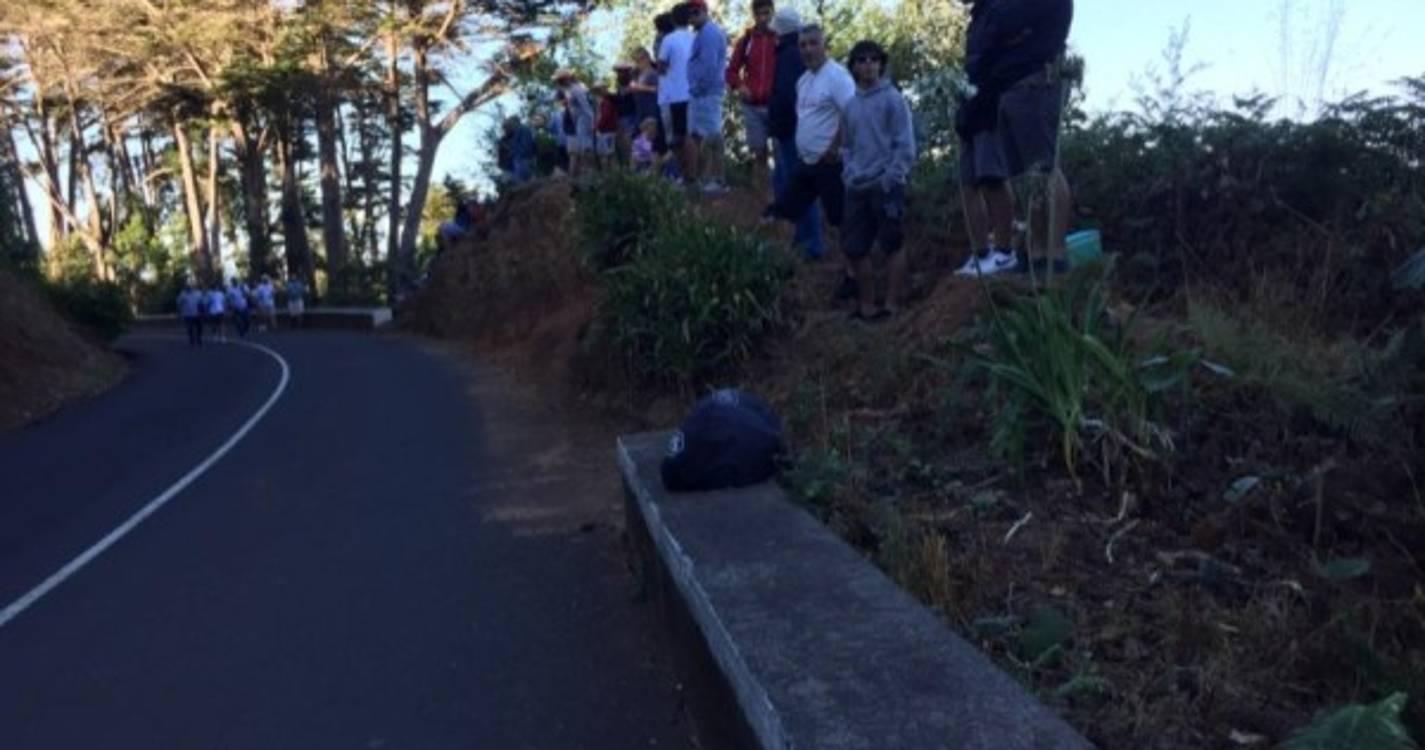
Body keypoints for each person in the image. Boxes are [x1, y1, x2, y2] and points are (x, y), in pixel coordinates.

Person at [954, 0, 1075, 277]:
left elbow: (1003, 25)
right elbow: (991, 41)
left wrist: (1004, 37)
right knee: (1027, 177)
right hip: (1011, 89)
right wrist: (1004, 40)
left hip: (1035, 83)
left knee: (1043, 168)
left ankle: (1054, 255)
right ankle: (1038, 253)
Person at [763, 23, 855, 293]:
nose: (807, 50)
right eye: (803, 45)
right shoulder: (804, 81)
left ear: (824, 45)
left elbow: (850, 114)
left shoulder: (837, 76)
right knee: (785, 207)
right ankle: (779, 266)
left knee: (839, 220)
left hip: (831, 163)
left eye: (813, 43)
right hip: (807, 162)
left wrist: (835, 147)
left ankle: (853, 275)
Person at [840, 40, 916, 320]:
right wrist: (848, 174)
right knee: (855, 248)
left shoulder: (893, 99)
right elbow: (846, 146)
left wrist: (891, 178)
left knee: (892, 243)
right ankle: (867, 306)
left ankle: (892, 305)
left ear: (881, 64)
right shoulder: (850, 106)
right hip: (857, 186)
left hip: (886, 185)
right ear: (854, 67)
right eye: (861, 60)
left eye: (873, 59)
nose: (868, 64)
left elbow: (905, 145)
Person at [765, 9, 823, 260]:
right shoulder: (790, 54)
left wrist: (784, 125)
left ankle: (811, 244)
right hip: (789, 131)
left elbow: (790, 96)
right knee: (788, 185)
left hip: (791, 133)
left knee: (799, 187)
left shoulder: (788, 56)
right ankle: (802, 239)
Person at [726, 0, 779, 189]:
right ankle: (763, 198)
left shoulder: (781, 38)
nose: (763, 18)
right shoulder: (746, 41)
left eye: (767, 13)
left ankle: (783, 199)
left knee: (781, 153)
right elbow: (731, 71)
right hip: (752, 106)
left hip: (776, 105)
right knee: (759, 152)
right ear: (754, 15)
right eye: (759, 14)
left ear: (773, 12)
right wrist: (740, 86)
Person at [686, 0, 729, 194]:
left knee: (712, 135)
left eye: (695, 12)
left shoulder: (709, 33)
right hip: (702, 93)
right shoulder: (703, 33)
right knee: (699, 135)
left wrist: (698, 88)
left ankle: (718, 180)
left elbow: (709, 66)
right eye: (690, 13)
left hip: (707, 92)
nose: (692, 17)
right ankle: (703, 179)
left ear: (704, 11)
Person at [656, 6, 695, 183]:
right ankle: (692, 175)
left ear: (673, 19)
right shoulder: (695, 38)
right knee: (690, 135)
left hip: (673, 94)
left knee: (677, 138)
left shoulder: (668, 40)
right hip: (692, 93)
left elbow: (662, 66)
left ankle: (682, 174)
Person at [553, 69, 595, 179]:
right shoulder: (568, 91)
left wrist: (592, 122)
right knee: (581, 148)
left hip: (584, 119)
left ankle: (590, 171)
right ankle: (583, 173)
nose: (559, 83)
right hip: (576, 121)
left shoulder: (577, 89)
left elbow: (586, 106)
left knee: (586, 146)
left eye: (561, 80)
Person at [499, 116, 536, 184]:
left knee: (522, 183)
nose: (507, 129)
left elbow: (526, 146)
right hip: (512, 165)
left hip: (522, 161)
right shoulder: (504, 140)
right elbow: (501, 156)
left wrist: (517, 156)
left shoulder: (523, 129)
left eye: (509, 125)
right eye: (505, 128)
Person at [593, 83, 620, 169]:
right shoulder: (600, 104)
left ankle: (612, 174)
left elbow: (605, 117)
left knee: (609, 154)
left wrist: (596, 126)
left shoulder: (607, 103)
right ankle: (607, 174)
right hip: (603, 132)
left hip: (607, 132)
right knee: (603, 154)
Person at [177, 281, 204, 347]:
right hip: (187, 314)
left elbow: (201, 303)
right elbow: (179, 303)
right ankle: (192, 340)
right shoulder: (183, 294)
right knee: (190, 328)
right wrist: (180, 311)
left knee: (199, 327)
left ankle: (198, 338)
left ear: (193, 287)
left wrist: (202, 311)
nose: (189, 288)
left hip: (197, 313)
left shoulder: (198, 293)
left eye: (190, 287)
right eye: (187, 287)